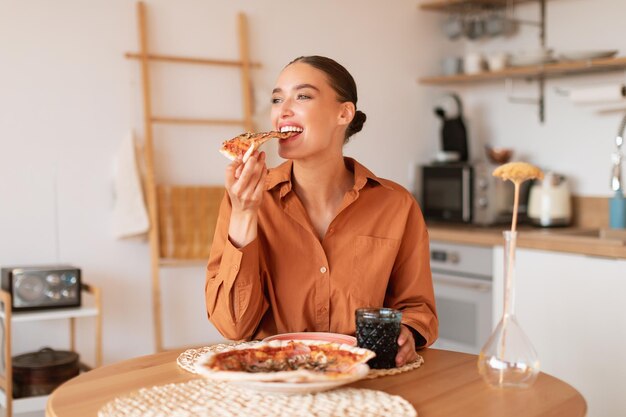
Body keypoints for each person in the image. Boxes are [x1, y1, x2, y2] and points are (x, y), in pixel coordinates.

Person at [205, 56, 437, 366]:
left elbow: (417, 308)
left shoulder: (396, 205)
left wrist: (407, 331)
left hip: (364, 382)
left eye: (302, 96)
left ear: (344, 113)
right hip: (275, 381)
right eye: (276, 99)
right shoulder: (245, 198)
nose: (282, 110)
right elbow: (233, 325)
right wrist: (245, 213)